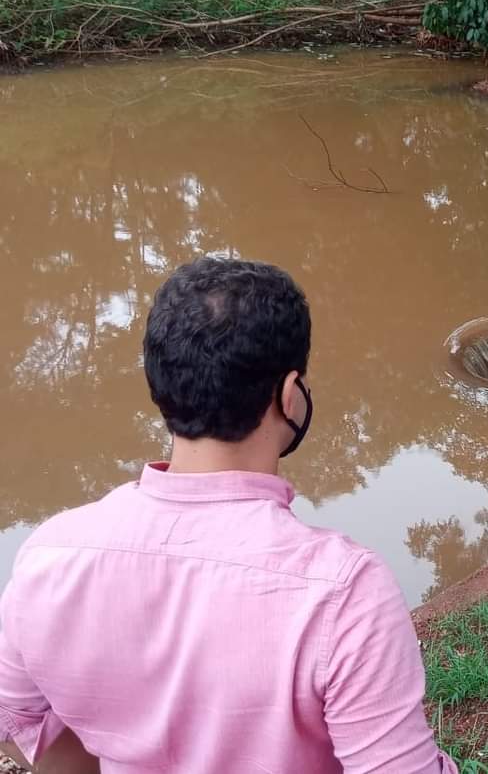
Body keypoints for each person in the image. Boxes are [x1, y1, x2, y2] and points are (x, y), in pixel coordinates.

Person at [0, 258, 457, 773]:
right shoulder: (344, 591)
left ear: (159, 382)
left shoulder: (48, 558)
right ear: (290, 396)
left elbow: (17, 720)